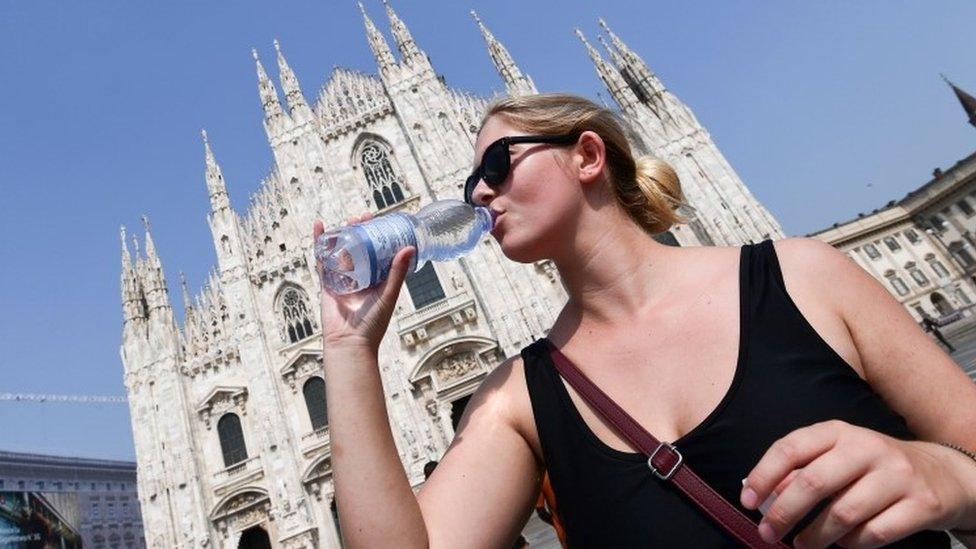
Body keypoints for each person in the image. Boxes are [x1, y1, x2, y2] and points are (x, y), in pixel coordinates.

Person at [313, 93, 976, 548]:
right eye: (470, 183)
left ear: (587, 156)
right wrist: (347, 351)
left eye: (496, 164)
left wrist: (944, 477)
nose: (479, 192)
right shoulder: (517, 397)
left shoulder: (801, 277)